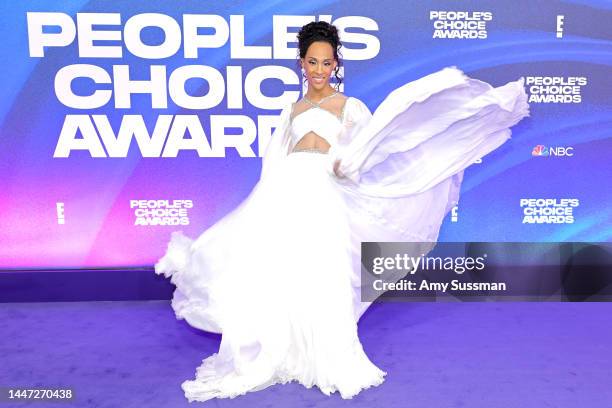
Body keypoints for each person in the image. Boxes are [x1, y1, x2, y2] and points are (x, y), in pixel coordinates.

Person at [154, 21, 530, 402]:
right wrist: (264, 199)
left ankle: (325, 353)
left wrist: (345, 166)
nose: (319, 70)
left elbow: (374, 153)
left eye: (327, 63)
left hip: (326, 191)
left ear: (336, 65)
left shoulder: (351, 108)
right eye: (312, 62)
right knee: (280, 266)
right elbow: (274, 160)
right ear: (301, 63)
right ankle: (280, 346)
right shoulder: (291, 110)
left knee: (324, 268)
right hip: (284, 190)